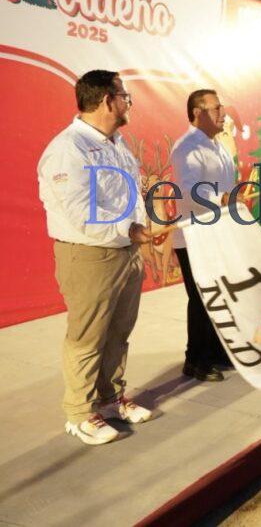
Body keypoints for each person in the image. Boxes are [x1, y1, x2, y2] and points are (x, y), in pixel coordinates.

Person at [37, 70, 154, 445]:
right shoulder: (67, 148)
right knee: (88, 336)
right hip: (89, 256)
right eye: (124, 96)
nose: (128, 102)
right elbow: (77, 210)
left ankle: (110, 398)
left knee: (119, 331)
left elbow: (129, 194)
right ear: (107, 100)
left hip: (126, 252)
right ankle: (80, 412)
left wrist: (140, 226)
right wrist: (128, 230)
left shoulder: (116, 143)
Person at [171, 89, 237, 382]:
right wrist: (220, 199)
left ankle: (215, 350)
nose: (223, 113)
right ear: (198, 113)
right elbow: (188, 188)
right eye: (216, 108)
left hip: (218, 231)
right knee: (200, 297)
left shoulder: (217, 144)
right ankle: (194, 359)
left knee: (218, 291)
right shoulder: (186, 147)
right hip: (193, 234)